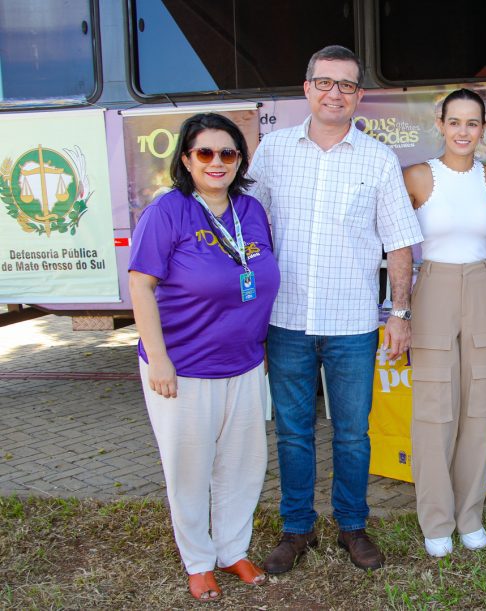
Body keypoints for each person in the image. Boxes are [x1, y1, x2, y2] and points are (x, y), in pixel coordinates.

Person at [247, 45, 423, 572]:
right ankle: (296, 529)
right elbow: (250, 233)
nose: (335, 93)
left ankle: (352, 526)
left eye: (346, 85)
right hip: (287, 320)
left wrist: (399, 313)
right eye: (325, 82)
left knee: (352, 432)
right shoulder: (273, 152)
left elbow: (399, 245)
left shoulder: (378, 159)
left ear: (359, 96)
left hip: (351, 324)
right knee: (294, 432)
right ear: (306, 88)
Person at [128, 113, 280, 602]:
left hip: (244, 362)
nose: (217, 162)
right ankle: (198, 561)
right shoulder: (167, 212)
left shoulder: (251, 210)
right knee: (189, 468)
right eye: (205, 153)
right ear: (187, 160)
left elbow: (256, 277)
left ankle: (233, 549)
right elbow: (140, 285)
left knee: (243, 466)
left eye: (228, 153)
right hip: (184, 366)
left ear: (240, 159)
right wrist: (158, 359)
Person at [402, 89, 486, 558]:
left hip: (482, 286)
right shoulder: (419, 177)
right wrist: (397, 310)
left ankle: (471, 516)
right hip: (435, 285)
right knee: (434, 409)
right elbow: (396, 242)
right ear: (440, 124)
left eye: (474, 123)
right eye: (455, 122)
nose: (464, 132)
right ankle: (437, 520)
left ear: (484, 128)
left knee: (480, 406)